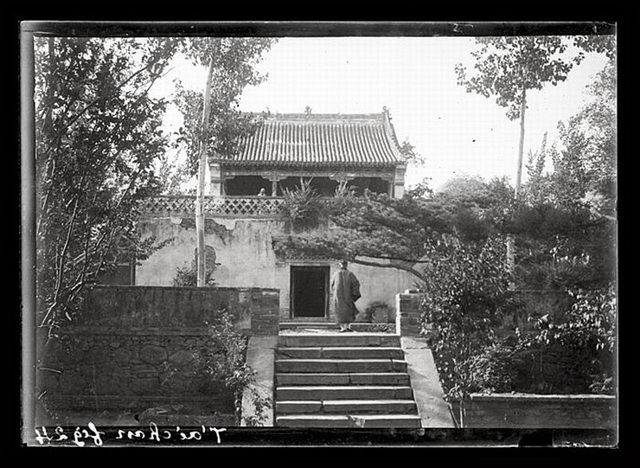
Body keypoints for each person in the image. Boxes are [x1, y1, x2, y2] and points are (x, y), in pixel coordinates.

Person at [330, 260, 361, 332]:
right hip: (348, 296)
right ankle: (347, 327)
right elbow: (356, 284)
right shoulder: (350, 274)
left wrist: (335, 293)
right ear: (346, 265)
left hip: (338, 296)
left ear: (340, 264)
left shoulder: (335, 274)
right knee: (348, 311)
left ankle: (343, 328)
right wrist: (354, 295)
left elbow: (332, 285)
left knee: (340, 311)